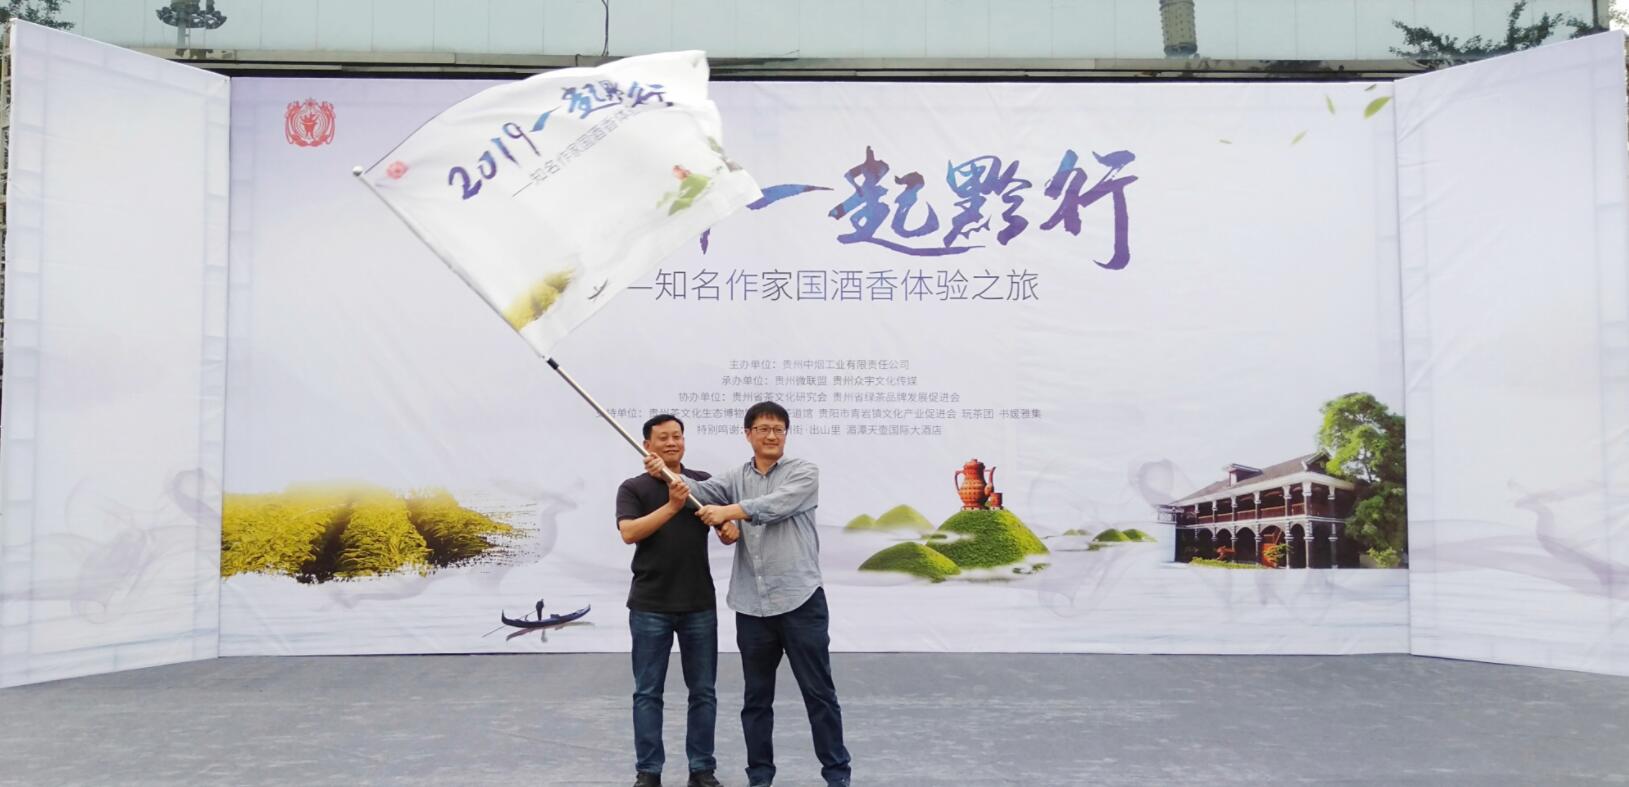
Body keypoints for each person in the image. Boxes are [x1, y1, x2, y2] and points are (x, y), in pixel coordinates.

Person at [644, 401, 851, 787]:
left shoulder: (804, 473)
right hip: (752, 608)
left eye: (778, 429)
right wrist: (667, 472)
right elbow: (697, 492)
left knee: (819, 694)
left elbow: (775, 506)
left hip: (800, 601)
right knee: (756, 700)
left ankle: (837, 776)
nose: (771, 436)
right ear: (748, 434)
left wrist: (729, 511)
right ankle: (760, 777)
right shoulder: (735, 477)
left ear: (785, 434)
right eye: (763, 429)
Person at [617, 414, 739, 787]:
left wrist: (728, 529)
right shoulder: (633, 488)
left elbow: (726, 526)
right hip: (649, 605)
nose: (672, 443)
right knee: (647, 693)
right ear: (647, 445)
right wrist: (672, 506)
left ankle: (702, 770)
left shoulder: (702, 483)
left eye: (677, 436)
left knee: (703, 692)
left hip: (698, 603)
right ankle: (648, 772)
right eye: (663, 438)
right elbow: (629, 533)